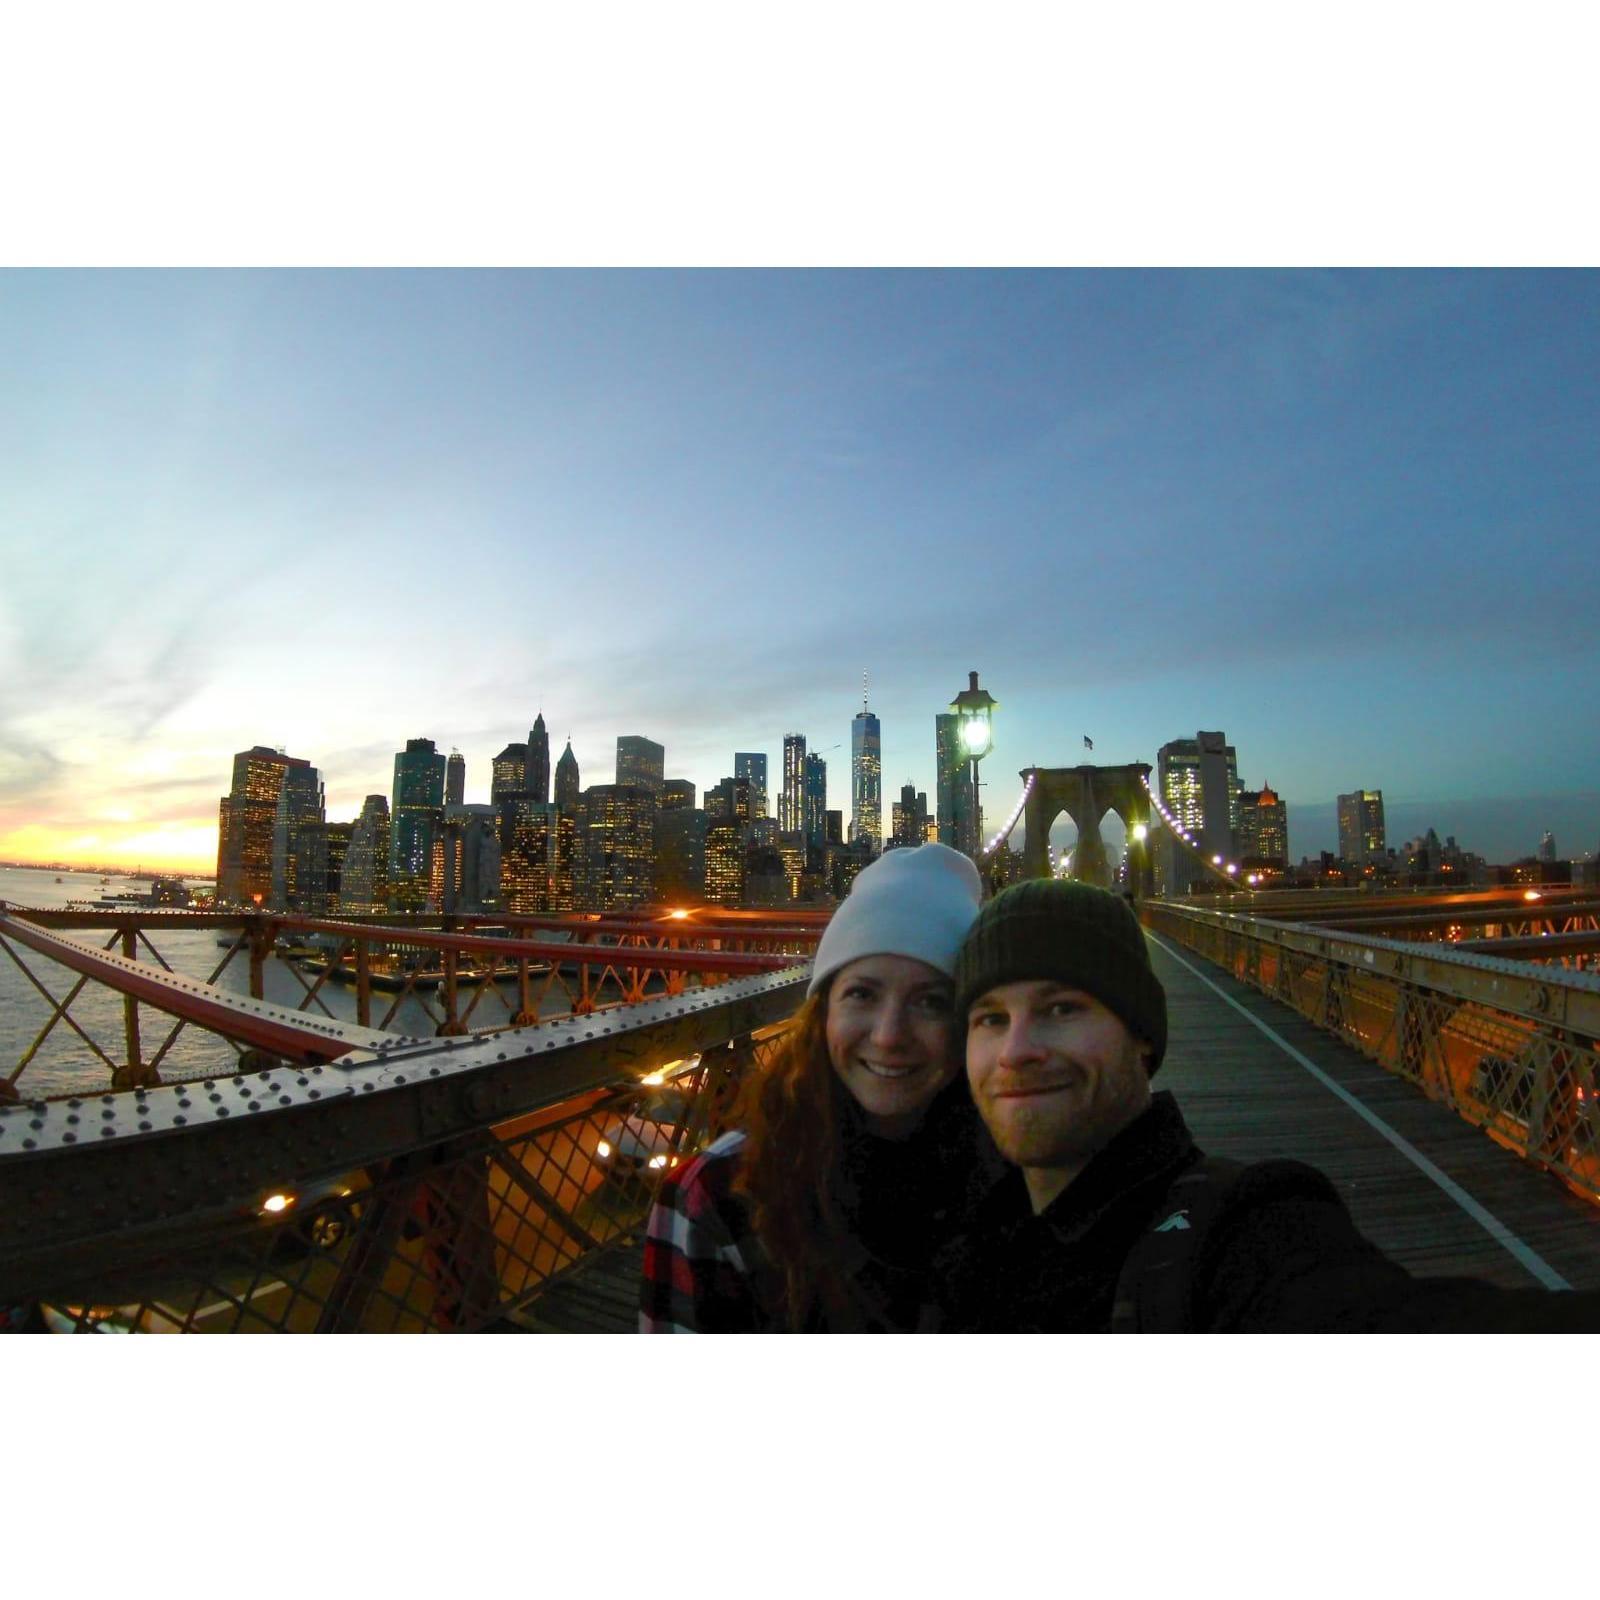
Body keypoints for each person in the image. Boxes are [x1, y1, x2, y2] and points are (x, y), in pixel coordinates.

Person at [931, 878, 1600, 1332]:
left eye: (1061, 1008)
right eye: (989, 1018)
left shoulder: (1247, 1236)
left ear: (1142, 1034)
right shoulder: (952, 1230)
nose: (1016, 1050)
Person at [639, 843, 994, 1332]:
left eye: (932, 1002)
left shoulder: (1026, 1179)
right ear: (823, 1013)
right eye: (861, 994)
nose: (889, 1035)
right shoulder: (713, 1197)